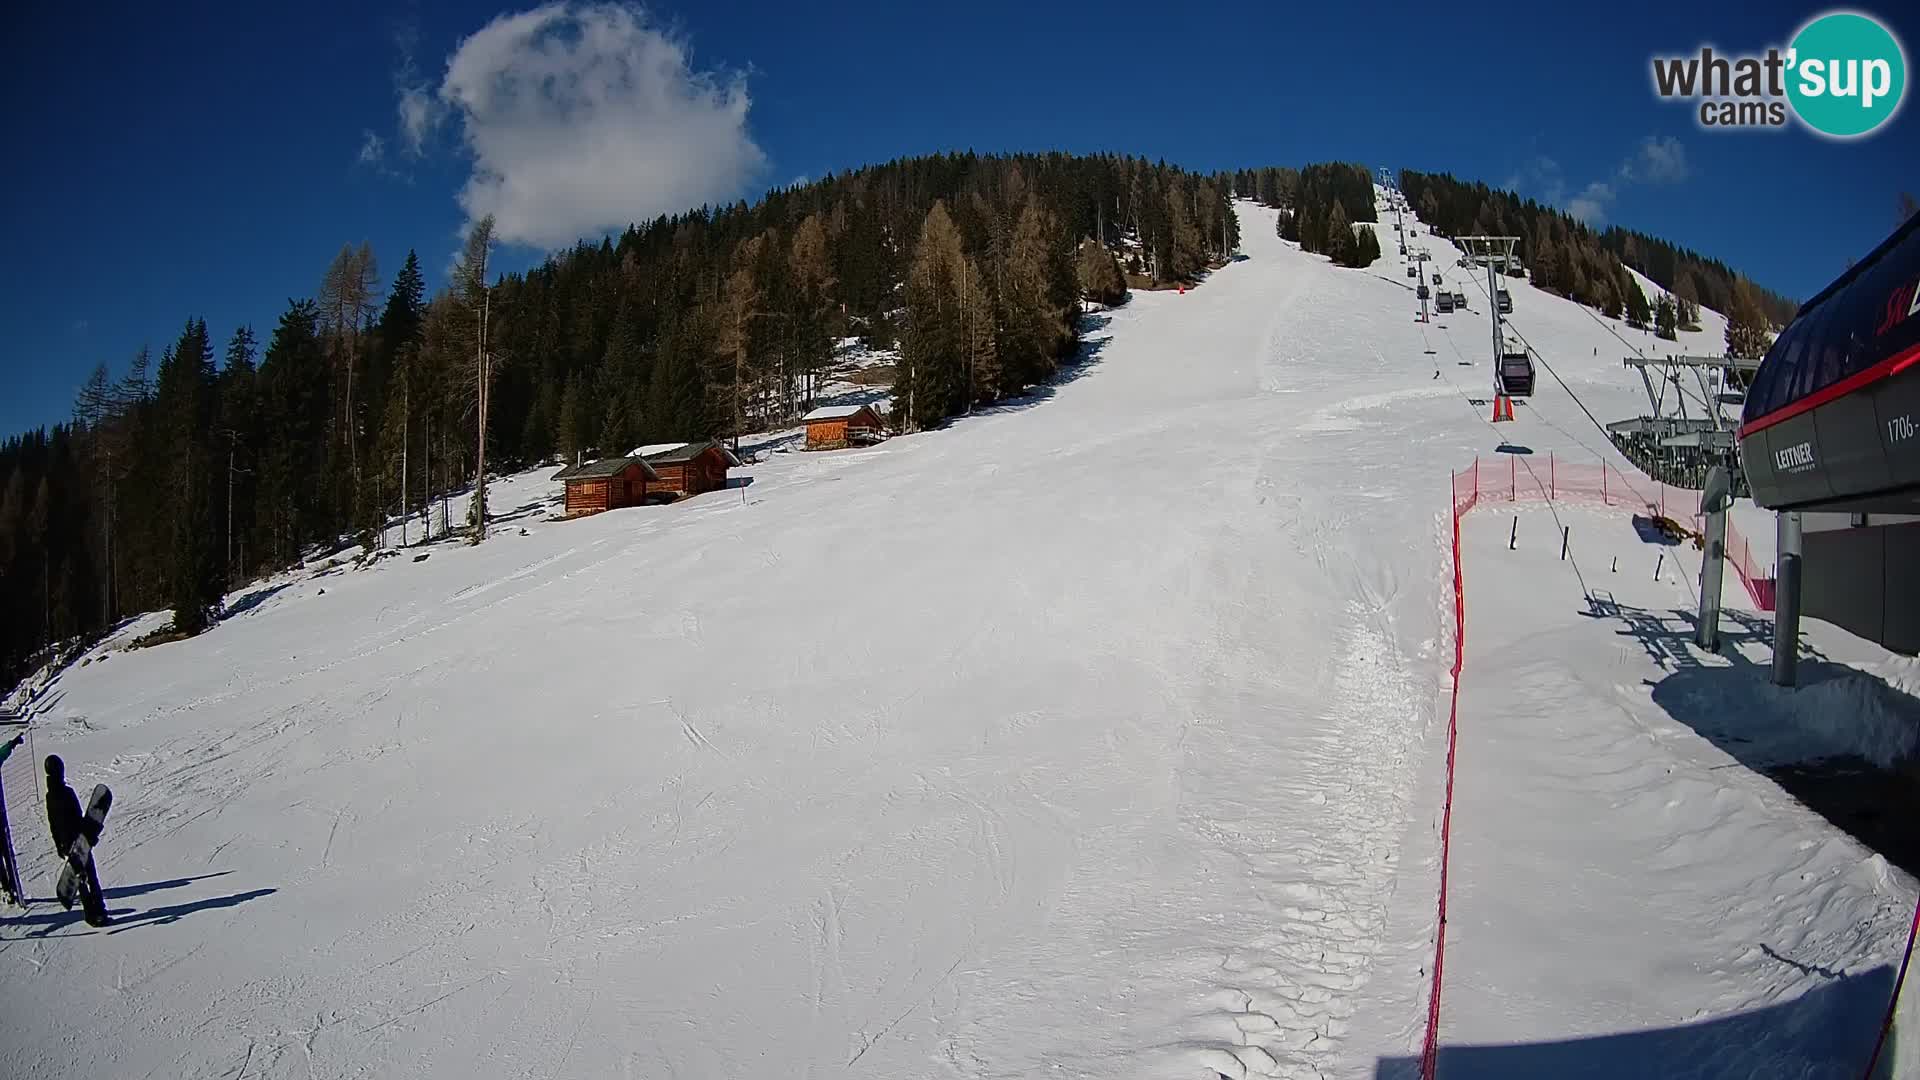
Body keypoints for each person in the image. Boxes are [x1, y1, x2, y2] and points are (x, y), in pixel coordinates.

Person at [45, 755, 108, 926]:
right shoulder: (67, 793)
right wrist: (89, 836)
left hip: (67, 845)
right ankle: (100, 912)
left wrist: (59, 845)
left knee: (80, 879)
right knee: (91, 877)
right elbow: (78, 818)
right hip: (79, 842)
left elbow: (53, 823)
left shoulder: (49, 796)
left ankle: (90, 914)